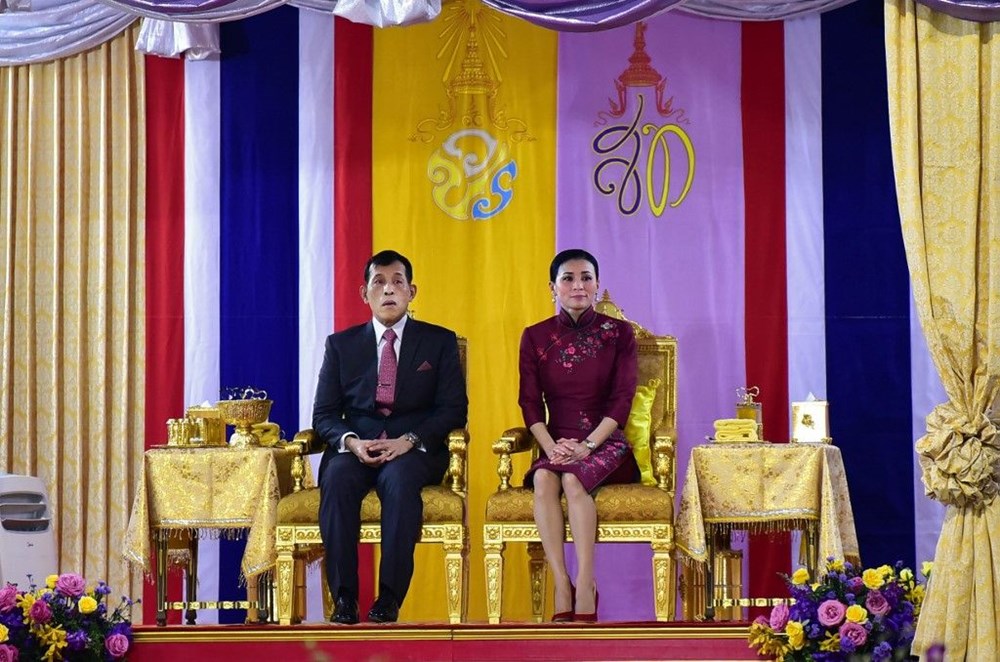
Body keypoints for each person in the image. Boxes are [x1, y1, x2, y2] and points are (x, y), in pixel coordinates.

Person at [313, 250, 468, 624]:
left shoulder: (438, 341)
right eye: (379, 282)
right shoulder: (341, 345)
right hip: (358, 447)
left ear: (412, 292)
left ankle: (389, 598)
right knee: (337, 476)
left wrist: (409, 440)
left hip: (413, 449)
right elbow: (324, 415)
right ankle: (344, 598)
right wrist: (352, 442)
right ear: (364, 293)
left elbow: (453, 409)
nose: (388, 290)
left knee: (398, 480)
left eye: (398, 282)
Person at [518, 248, 639, 623]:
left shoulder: (618, 333)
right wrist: (551, 447)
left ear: (597, 284)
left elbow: (622, 400)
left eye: (586, 278)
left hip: (606, 442)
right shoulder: (535, 336)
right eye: (568, 278)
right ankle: (561, 583)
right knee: (543, 478)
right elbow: (529, 403)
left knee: (573, 479)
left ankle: (586, 583)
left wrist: (587, 446)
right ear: (552, 287)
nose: (578, 286)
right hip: (556, 443)